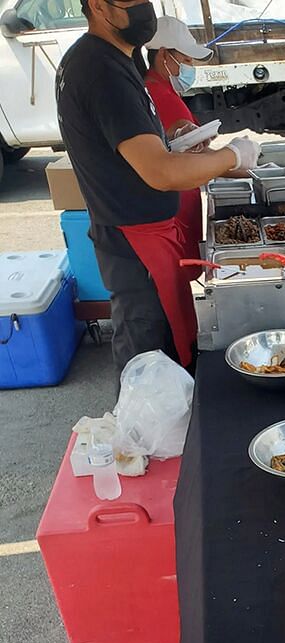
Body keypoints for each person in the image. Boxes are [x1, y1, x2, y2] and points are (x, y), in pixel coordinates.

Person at [56, 0, 259, 373]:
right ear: (99, 6)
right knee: (148, 365)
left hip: (137, 236)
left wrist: (169, 138)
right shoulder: (102, 71)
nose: (144, 8)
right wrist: (233, 155)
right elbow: (160, 173)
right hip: (136, 244)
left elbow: (126, 146)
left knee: (161, 352)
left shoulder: (112, 59)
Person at [143, 16, 213, 260]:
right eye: (185, 60)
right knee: (180, 271)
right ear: (164, 56)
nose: (190, 67)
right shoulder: (158, 94)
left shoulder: (162, 89)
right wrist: (236, 160)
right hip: (176, 204)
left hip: (182, 196)